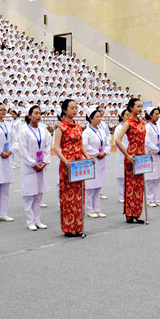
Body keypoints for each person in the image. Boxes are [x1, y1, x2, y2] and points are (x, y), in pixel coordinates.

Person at [54, 99, 91, 236]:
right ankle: (68, 227)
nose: (74, 110)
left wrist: (87, 157)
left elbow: (81, 145)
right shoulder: (60, 127)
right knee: (68, 196)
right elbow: (56, 147)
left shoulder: (79, 127)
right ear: (64, 110)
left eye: (76, 108)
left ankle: (78, 225)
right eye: (72, 108)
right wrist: (65, 160)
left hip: (79, 164)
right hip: (67, 164)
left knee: (79, 194)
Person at [115, 98, 148, 223]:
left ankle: (137, 213)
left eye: (141, 106)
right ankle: (129, 213)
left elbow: (142, 141)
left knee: (139, 186)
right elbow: (117, 140)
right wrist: (127, 155)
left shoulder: (142, 123)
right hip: (132, 157)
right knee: (131, 186)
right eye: (138, 106)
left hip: (141, 157)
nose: (140, 108)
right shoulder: (128, 123)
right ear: (131, 107)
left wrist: (146, 153)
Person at [19, 105, 50, 231]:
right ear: (29, 115)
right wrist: (33, 163)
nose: (38, 116)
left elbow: (48, 146)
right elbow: (23, 149)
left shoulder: (43, 130)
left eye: (40, 113)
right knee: (29, 195)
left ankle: (38, 220)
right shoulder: (24, 131)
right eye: (36, 113)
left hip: (41, 166)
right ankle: (30, 220)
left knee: (38, 195)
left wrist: (44, 162)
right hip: (29, 167)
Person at [83, 107, 110, 217]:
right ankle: (90, 209)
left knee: (98, 186)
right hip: (92, 160)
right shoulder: (86, 132)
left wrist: (104, 152)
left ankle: (97, 208)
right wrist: (96, 153)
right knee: (90, 186)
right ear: (90, 118)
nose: (99, 118)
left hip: (101, 160)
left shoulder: (101, 131)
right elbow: (85, 146)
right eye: (97, 117)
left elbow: (108, 143)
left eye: (100, 116)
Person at [144, 107, 160, 207]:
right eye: (156, 114)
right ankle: (150, 199)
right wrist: (157, 150)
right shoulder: (147, 127)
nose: (158, 116)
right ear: (150, 115)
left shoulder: (159, 127)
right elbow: (147, 142)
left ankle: (157, 199)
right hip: (152, 154)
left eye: (158, 114)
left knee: (158, 178)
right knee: (150, 179)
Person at [113, 110, 130, 203]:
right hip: (122, 153)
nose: (128, 117)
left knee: (129, 175)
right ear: (122, 116)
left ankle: (128, 194)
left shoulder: (130, 126)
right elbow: (117, 141)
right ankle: (121, 195)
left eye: (129, 115)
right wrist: (129, 149)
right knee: (121, 177)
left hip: (131, 153)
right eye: (127, 115)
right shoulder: (119, 128)